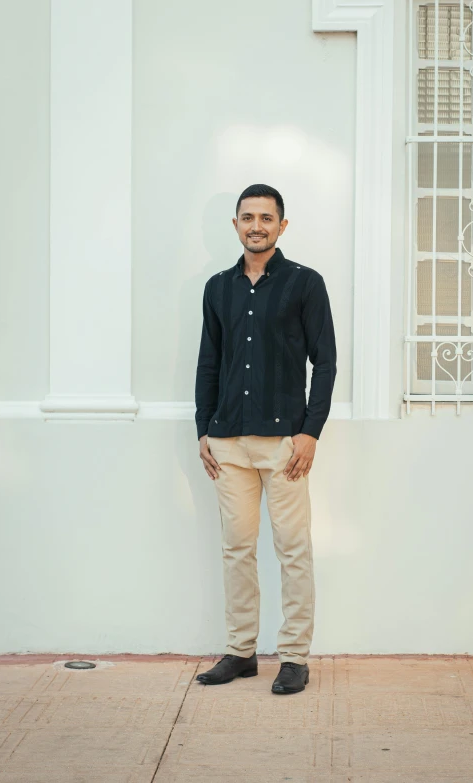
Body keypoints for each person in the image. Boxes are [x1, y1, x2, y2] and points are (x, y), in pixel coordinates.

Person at [194, 183, 337, 694]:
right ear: (235, 225)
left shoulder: (304, 283)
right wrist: (202, 428)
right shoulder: (218, 287)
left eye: (266, 217)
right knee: (237, 548)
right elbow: (209, 361)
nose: (256, 225)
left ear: (282, 225)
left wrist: (310, 432)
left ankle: (295, 656)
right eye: (247, 217)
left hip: (285, 444)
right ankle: (241, 651)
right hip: (228, 441)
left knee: (293, 547)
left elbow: (326, 362)